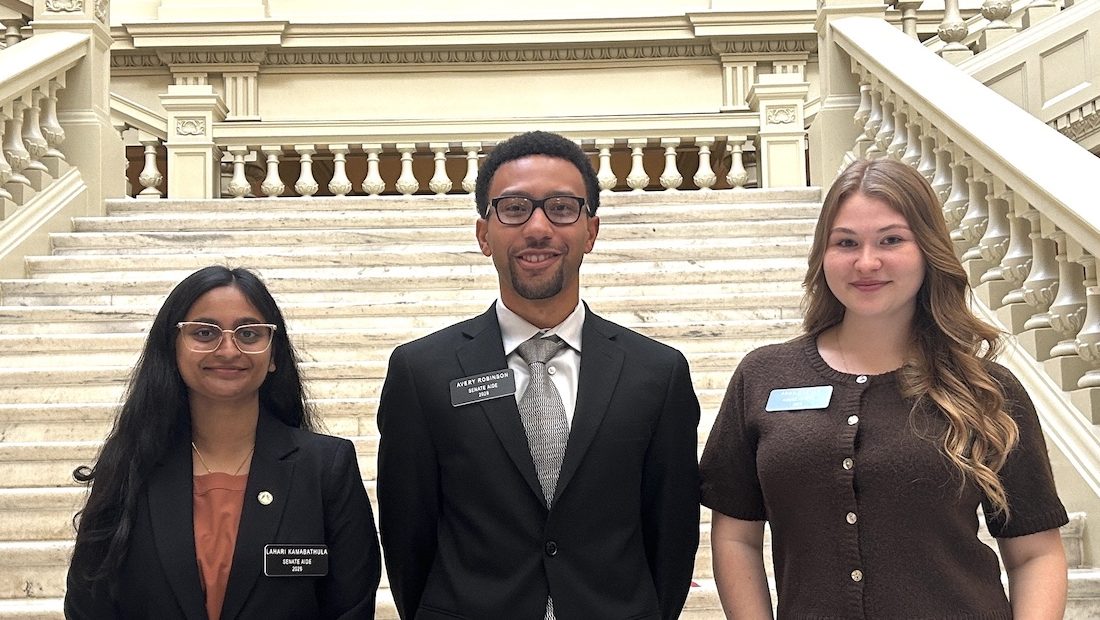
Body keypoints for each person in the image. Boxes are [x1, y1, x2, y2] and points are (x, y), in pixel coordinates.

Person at [700, 158, 1069, 618]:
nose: (866, 262)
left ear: (927, 250)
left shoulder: (987, 390)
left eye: (891, 240)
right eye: (846, 243)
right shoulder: (764, 375)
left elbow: (1035, 554)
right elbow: (735, 537)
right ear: (823, 255)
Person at [376, 130, 701, 619]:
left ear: (591, 231)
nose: (538, 227)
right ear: (484, 234)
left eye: (562, 208)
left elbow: (671, 535)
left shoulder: (657, 373)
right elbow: (407, 537)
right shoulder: (422, 372)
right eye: (513, 208)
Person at [65, 266, 382, 619]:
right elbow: (88, 604)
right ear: (172, 348)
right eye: (204, 332)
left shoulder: (325, 467)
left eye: (248, 334)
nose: (228, 349)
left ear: (273, 354)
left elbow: (350, 607)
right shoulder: (131, 463)